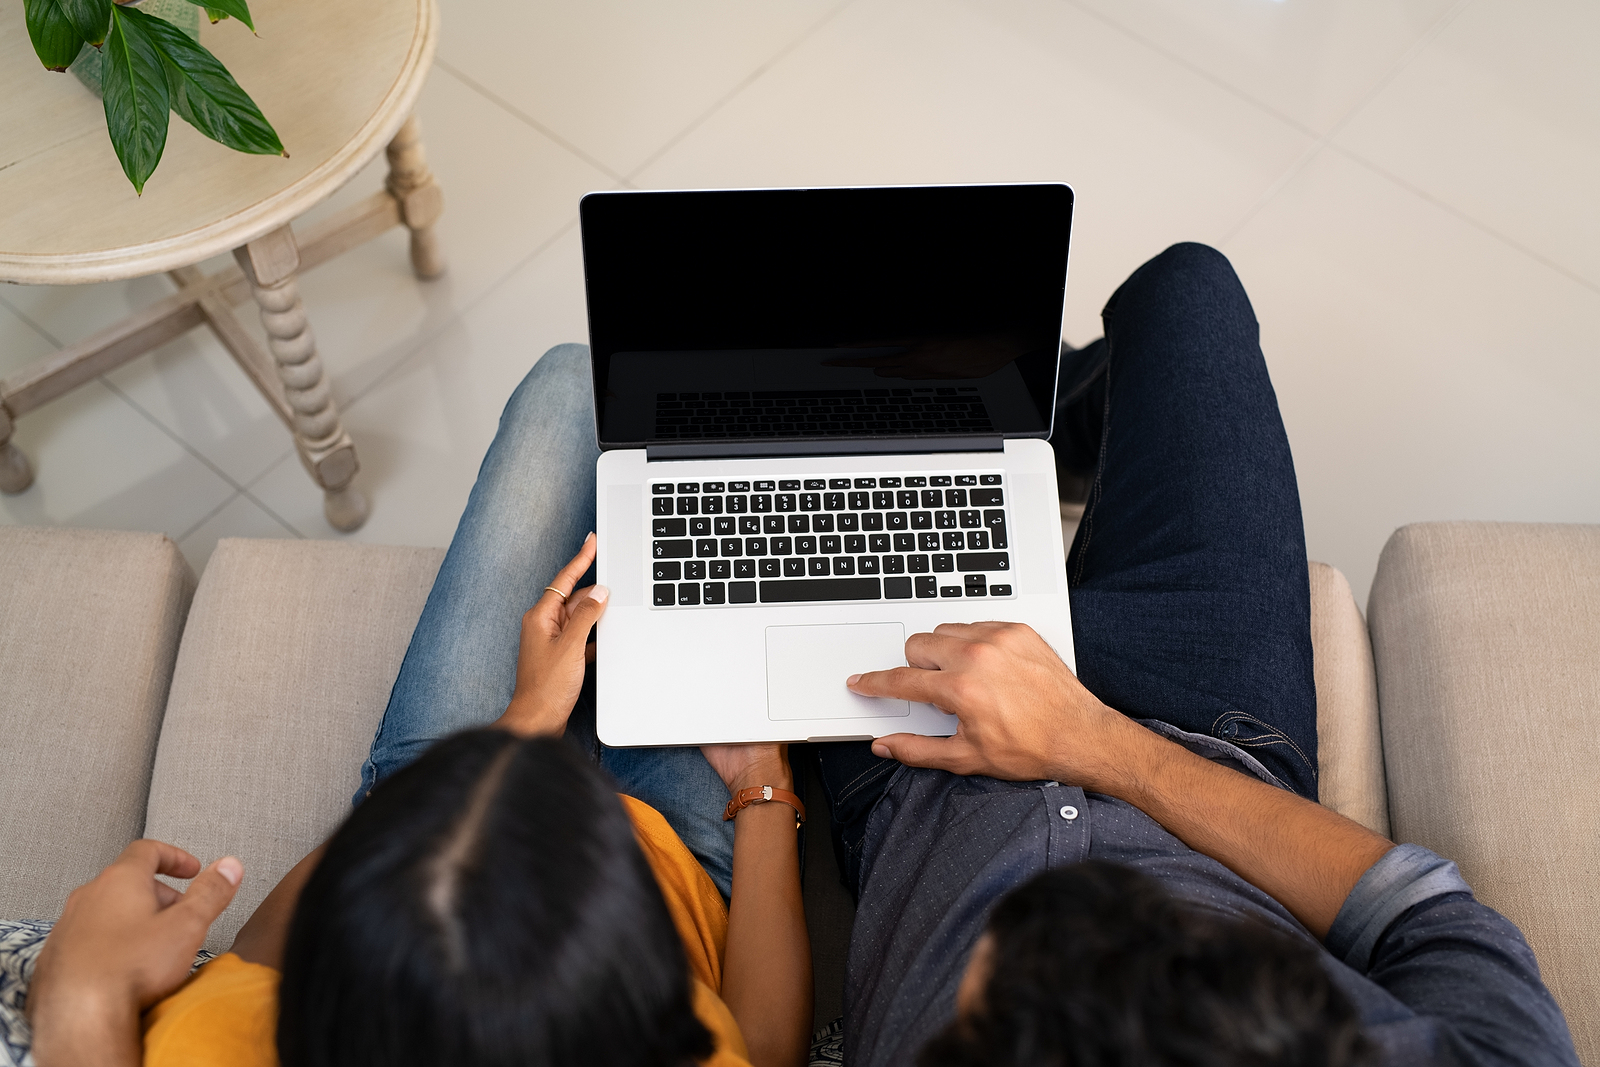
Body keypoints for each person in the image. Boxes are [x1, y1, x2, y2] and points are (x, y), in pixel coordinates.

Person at [17, 241, 1580, 1067]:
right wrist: (1088, 744)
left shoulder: (236, 1030)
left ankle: (973, 457)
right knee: (1186, 293)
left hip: (900, 768)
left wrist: (501, 747)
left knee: (588, 389)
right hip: (1200, 737)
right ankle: (1025, 438)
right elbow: (1408, 902)